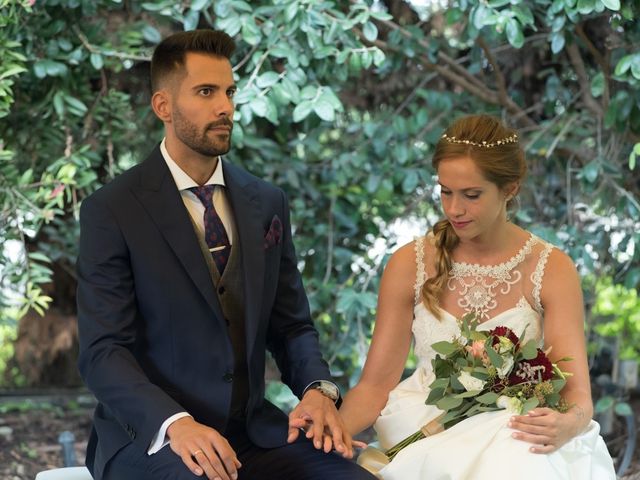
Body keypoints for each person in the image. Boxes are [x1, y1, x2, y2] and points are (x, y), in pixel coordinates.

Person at [76, 29, 375, 480]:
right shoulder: (112, 209)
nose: (226, 107)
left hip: (253, 433)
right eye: (206, 92)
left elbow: (291, 325)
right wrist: (176, 424)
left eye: (230, 91)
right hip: (152, 440)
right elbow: (103, 352)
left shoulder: (266, 201)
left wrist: (318, 391)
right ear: (163, 107)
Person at [339, 114, 616, 479]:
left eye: (471, 195)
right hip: (424, 424)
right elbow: (375, 385)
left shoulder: (551, 268)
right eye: (445, 191)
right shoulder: (411, 263)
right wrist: (332, 430)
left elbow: (578, 391)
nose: (454, 209)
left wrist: (567, 424)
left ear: (510, 189)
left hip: (513, 427)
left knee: (520, 458)